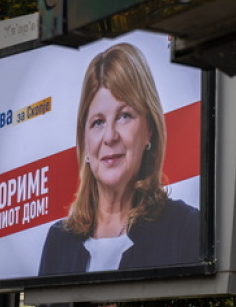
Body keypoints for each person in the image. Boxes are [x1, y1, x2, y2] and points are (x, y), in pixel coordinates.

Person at [39, 43, 201, 275]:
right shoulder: (59, 239)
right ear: (84, 140)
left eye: (124, 116)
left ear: (150, 131)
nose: (110, 137)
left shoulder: (185, 227)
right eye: (98, 122)